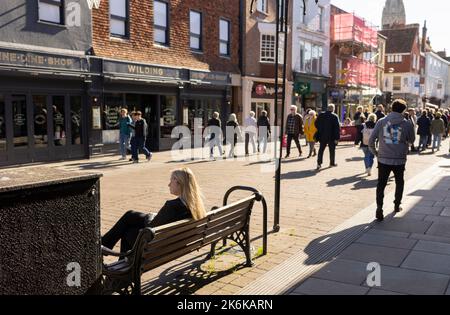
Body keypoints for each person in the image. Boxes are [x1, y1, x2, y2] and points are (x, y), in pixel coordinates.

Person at [102, 168, 206, 253]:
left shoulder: (171, 206)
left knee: (128, 231)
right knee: (130, 215)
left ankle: (103, 245)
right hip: (173, 243)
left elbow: (150, 228)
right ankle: (105, 244)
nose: (169, 185)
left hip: (155, 246)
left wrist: (150, 215)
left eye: (171, 181)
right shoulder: (195, 206)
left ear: (179, 183)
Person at [368, 99, 415, 222]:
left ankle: (379, 208)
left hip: (383, 158)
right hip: (399, 159)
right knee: (399, 182)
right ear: (403, 110)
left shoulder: (381, 122)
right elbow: (412, 140)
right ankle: (396, 204)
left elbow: (371, 140)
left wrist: (376, 153)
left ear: (392, 108)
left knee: (381, 184)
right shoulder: (407, 124)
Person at [315, 104, 341, 170]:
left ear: (327, 108)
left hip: (322, 136)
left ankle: (319, 163)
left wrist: (320, 130)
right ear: (333, 109)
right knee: (332, 150)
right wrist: (337, 138)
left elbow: (316, 123)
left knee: (321, 150)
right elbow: (337, 128)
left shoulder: (321, 115)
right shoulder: (335, 116)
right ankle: (331, 163)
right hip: (331, 136)